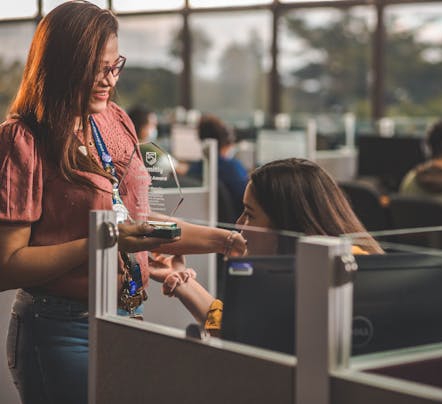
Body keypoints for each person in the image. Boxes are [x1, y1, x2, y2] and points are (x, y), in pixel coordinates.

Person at [0, 2, 245, 403]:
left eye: (115, 66)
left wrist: (223, 240)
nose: (109, 80)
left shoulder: (115, 120)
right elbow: (7, 266)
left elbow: (138, 224)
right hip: (61, 327)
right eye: (97, 68)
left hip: (126, 317)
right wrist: (104, 242)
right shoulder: (23, 139)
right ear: (63, 64)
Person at [161, 158, 383, 335]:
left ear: (288, 225)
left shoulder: (341, 279)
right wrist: (181, 280)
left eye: (249, 214)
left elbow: (246, 335)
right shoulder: (297, 276)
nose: (239, 224)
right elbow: (239, 329)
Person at [188, 114, 248, 221]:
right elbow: (247, 201)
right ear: (226, 140)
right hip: (233, 227)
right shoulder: (233, 168)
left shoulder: (194, 169)